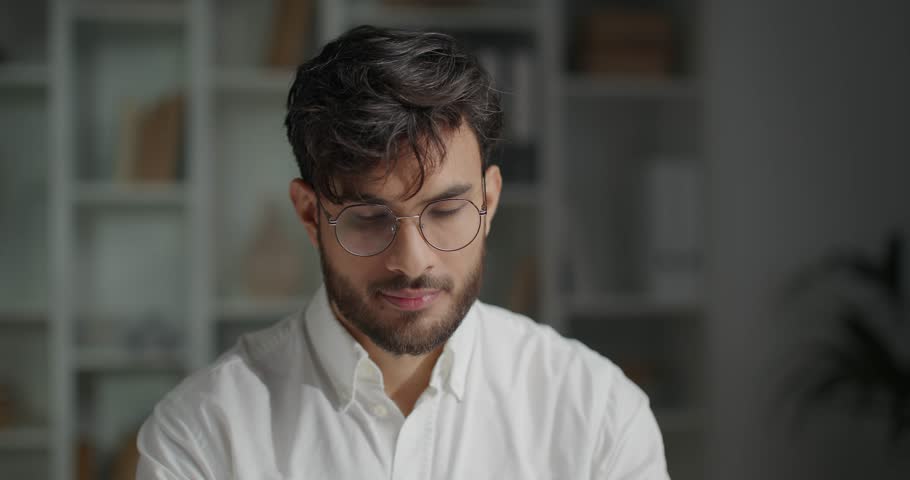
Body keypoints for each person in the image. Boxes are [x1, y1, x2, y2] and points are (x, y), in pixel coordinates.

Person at [136, 25, 669, 479]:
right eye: (370, 218)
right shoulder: (203, 437)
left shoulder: (598, 415)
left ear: (489, 201)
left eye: (446, 211)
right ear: (310, 215)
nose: (413, 262)